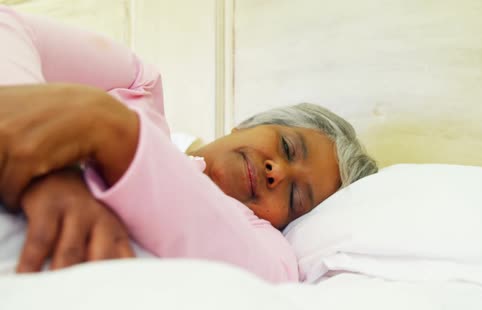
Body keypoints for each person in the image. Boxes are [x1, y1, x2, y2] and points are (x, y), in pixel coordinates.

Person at [0, 6, 377, 282]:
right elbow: (9, 28)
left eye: (296, 197)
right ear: (244, 126)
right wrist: (49, 174)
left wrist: (116, 134)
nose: (277, 171)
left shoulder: (262, 247)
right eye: (288, 148)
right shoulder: (136, 87)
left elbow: (270, 282)